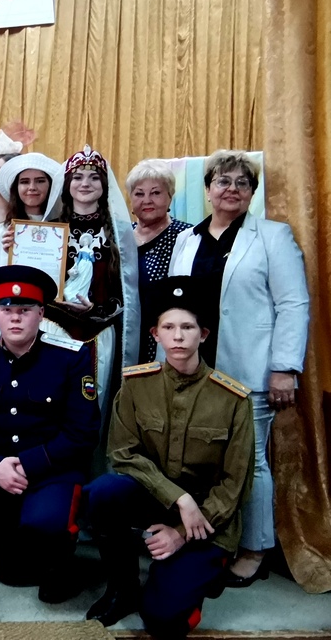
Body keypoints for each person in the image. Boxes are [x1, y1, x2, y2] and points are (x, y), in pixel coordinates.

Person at [168, 150, 309, 587]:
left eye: (242, 182)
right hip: (194, 367)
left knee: (250, 462)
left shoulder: (272, 236)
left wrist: (284, 367)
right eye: (223, 181)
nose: (232, 189)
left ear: (252, 192)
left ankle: (255, 548)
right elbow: (175, 305)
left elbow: (293, 304)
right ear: (208, 190)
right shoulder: (187, 238)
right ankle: (208, 537)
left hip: (251, 367)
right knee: (201, 458)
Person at [86, 276, 254, 638]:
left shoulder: (233, 399)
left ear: (203, 335)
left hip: (208, 522)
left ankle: (201, 572)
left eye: (187, 327)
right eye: (168, 327)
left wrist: (180, 532)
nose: (178, 336)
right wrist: (178, 498)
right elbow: (123, 454)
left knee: (162, 619)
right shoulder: (136, 385)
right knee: (103, 493)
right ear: (155, 334)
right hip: (158, 501)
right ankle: (123, 587)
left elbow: (234, 485)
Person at [0, 265, 100, 603]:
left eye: (25, 310)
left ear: (41, 313)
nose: (15, 318)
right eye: (6, 310)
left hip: (53, 470)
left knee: (46, 528)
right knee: (9, 571)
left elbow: (83, 432)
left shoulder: (71, 357)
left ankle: (64, 556)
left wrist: (29, 464)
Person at [44, 145, 141, 417]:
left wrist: (97, 310)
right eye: (77, 177)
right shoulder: (50, 229)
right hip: (53, 328)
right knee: (50, 405)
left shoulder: (120, 233)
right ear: (67, 184)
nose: (85, 183)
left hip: (99, 333)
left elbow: (127, 291)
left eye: (94, 177)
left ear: (104, 185)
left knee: (92, 409)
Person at [126, 159, 192, 363]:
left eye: (156, 193)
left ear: (170, 196)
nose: (147, 200)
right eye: (139, 194)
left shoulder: (187, 236)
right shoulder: (120, 236)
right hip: (125, 332)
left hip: (166, 336)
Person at [0, 152, 63, 269]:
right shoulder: (3, 232)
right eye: (24, 182)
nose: (32, 187)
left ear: (50, 185)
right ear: (16, 187)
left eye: (40, 181)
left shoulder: (61, 231)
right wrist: (10, 255)